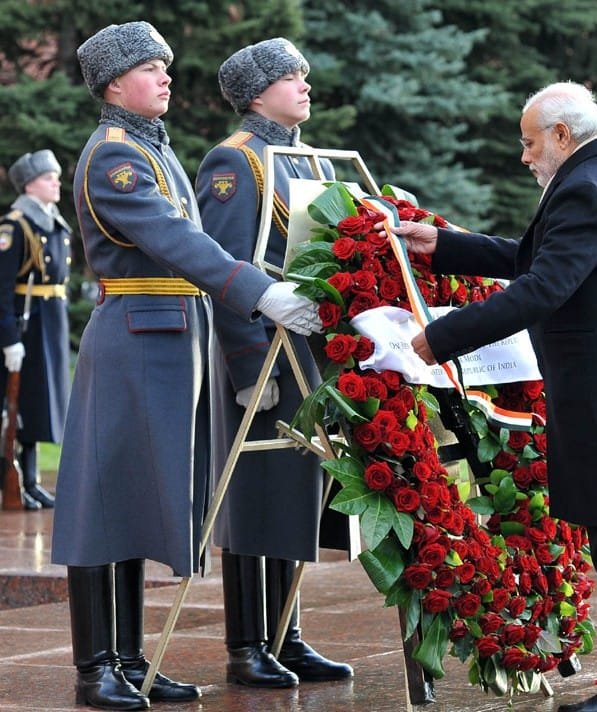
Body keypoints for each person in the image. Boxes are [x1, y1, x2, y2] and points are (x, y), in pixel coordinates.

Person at [386, 82, 597, 712]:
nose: (526, 156)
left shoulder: (586, 186)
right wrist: (444, 245)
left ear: (563, 134)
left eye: (530, 142)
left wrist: (437, 338)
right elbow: (543, 258)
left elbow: (543, 287)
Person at [50, 22, 321, 711]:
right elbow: (174, 240)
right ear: (114, 84)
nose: (167, 76)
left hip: (171, 339)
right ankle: (95, 668)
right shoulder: (114, 157)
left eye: (165, 65)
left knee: (140, 503)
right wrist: (261, 292)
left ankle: (133, 661)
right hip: (134, 337)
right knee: (106, 504)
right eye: (150, 67)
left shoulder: (154, 148)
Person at [195, 38, 353, 689]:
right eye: (293, 78)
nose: (305, 86)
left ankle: (287, 633)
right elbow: (226, 270)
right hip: (262, 357)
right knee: (253, 497)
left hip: (306, 352)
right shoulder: (237, 164)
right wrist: (243, 366)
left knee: (294, 494)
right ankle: (247, 645)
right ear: (258, 93)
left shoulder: (304, 158)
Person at [0, 150, 71, 509]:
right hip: (26, 326)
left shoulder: (52, 222)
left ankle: (29, 481)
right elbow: (1, 290)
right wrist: (9, 339)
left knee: (39, 403)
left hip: (49, 322)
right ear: (29, 185)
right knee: (18, 407)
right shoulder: (15, 226)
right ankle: (14, 481)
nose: (56, 182)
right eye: (48, 178)